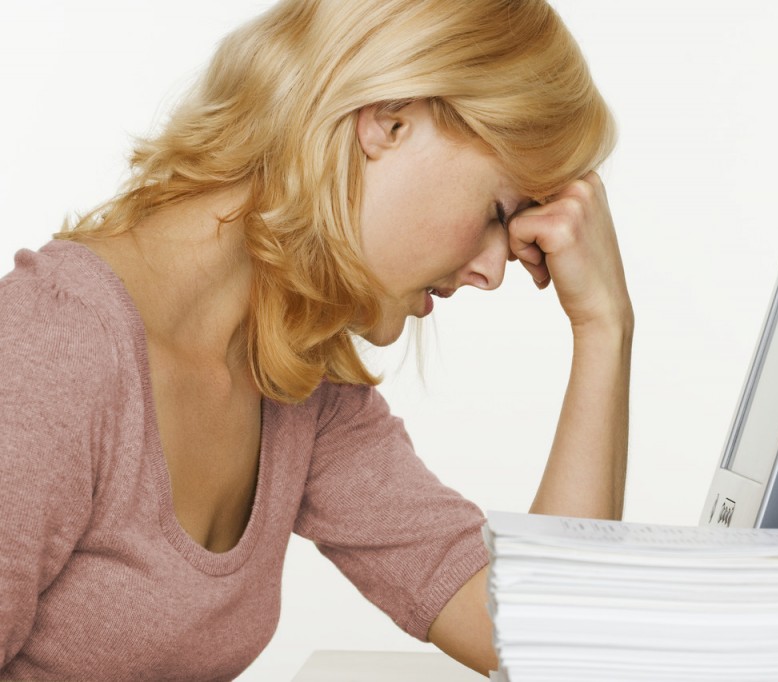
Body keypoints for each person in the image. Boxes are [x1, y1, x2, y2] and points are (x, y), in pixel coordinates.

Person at [0, 0, 630, 678]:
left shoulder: (296, 382)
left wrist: (604, 326)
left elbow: (544, 640)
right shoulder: (50, 353)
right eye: (496, 213)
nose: (492, 270)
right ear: (388, 122)